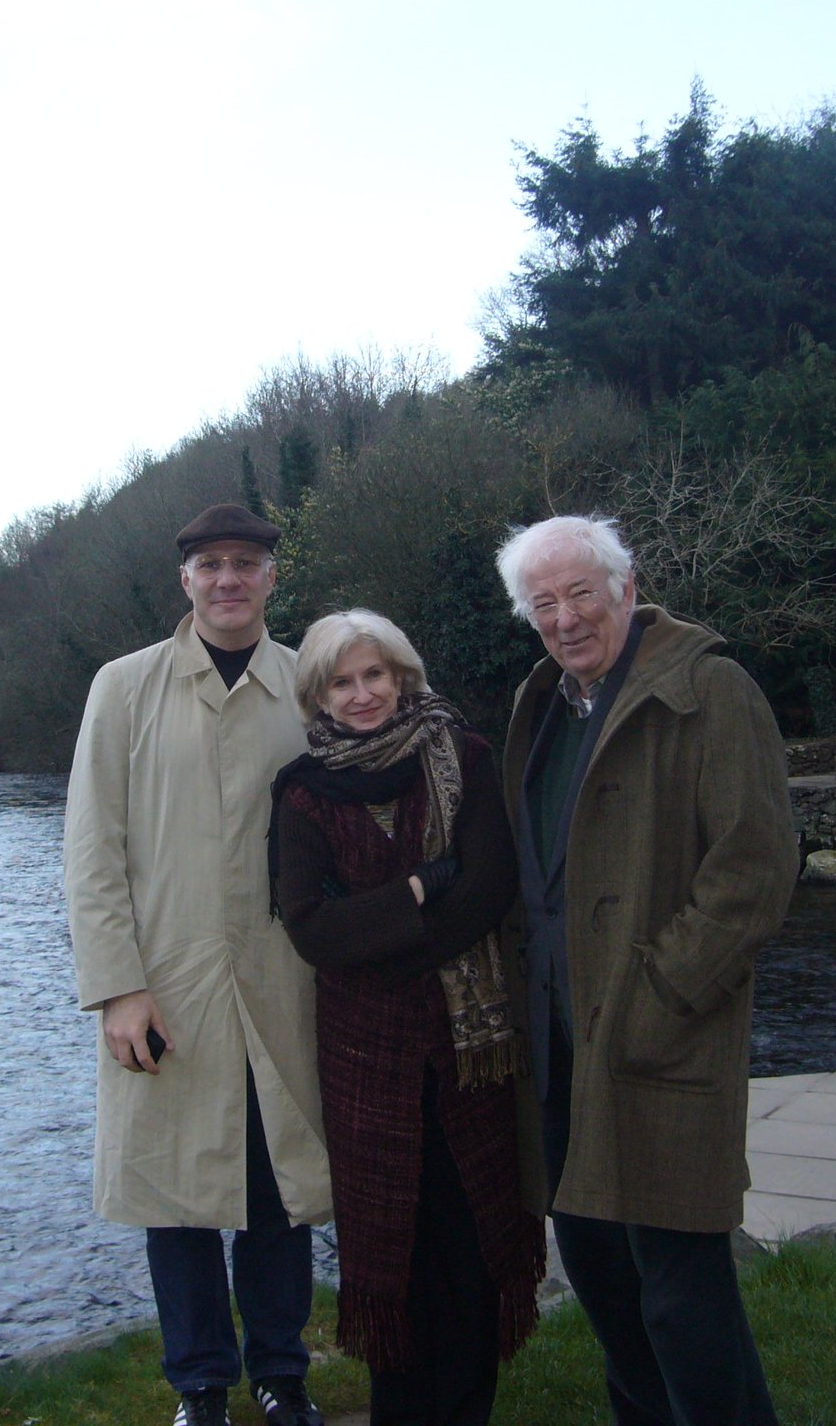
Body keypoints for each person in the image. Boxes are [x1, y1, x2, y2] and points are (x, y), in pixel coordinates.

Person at [493, 514, 796, 1426]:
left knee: (681, 1297)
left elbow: (753, 870)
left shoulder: (710, 689)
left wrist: (662, 995)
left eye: (580, 592)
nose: (565, 618)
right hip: (555, 1048)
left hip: (656, 1040)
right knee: (604, 1288)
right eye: (542, 604)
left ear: (625, 586)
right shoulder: (541, 703)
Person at [64, 503, 331, 1426]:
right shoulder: (125, 686)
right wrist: (117, 988)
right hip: (165, 987)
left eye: (246, 564)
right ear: (186, 580)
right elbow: (92, 847)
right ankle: (200, 1386)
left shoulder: (309, 685)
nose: (228, 579)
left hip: (282, 981)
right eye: (211, 564)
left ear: (270, 578)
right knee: (175, 1197)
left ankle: (281, 1373)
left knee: (277, 1186)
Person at [270, 609, 544, 1426]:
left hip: (469, 1052)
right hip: (365, 1058)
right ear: (318, 696)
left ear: (404, 677)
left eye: (375, 676)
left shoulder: (464, 757)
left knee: (471, 1236)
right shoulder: (302, 791)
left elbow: (491, 888)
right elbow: (312, 928)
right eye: (342, 682)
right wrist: (421, 889)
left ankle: (465, 1408)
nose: (362, 695)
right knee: (392, 1244)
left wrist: (379, 934)